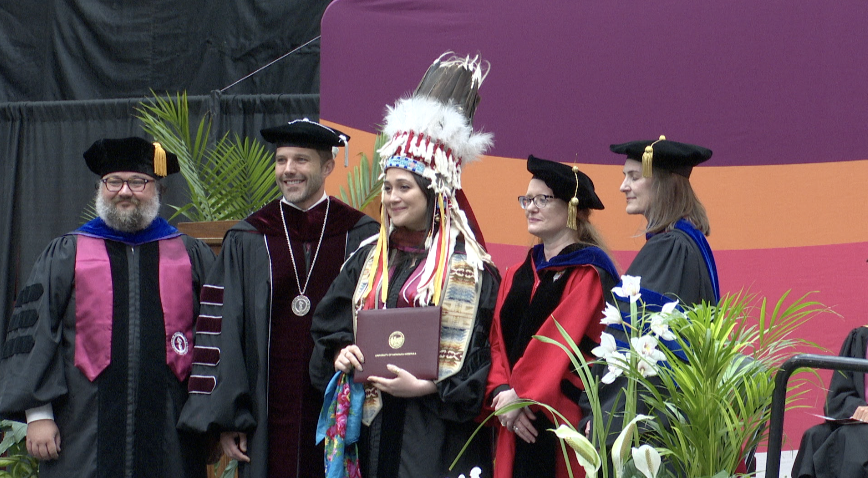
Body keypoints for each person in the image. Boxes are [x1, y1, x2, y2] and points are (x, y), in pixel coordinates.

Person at [309, 54, 499, 478]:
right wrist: (342, 354)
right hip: (372, 427)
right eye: (387, 187)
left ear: (433, 192)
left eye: (404, 188)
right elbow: (331, 329)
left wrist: (427, 386)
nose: (392, 198)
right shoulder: (367, 260)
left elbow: (481, 358)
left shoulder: (469, 268)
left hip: (433, 432)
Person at [0, 137, 215, 478]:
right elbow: (35, 332)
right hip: (81, 432)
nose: (124, 191)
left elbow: (215, 340)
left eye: (138, 182)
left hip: (170, 434)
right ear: (101, 187)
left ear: (156, 187)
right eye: (113, 182)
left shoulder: (188, 255)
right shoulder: (67, 253)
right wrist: (38, 416)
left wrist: (212, 417)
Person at [177, 119, 379, 478]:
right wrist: (228, 418)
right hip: (264, 416)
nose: (289, 170)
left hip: (341, 411)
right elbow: (223, 330)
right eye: (281, 160)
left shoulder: (361, 236)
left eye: (301, 160)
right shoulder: (248, 237)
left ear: (327, 166)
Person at [486, 155, 618, 478]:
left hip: (561, 420)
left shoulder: (589, 272)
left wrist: (520, 396)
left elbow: (558, 340)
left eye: (542, 199)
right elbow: (497, 344)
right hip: (515, 422)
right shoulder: (517, 274)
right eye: (526, 199)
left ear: (571, 206)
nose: (531, 207)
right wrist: (501, 393)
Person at [791, 326, 868, 478]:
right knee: (815, 437)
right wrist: (857, 409)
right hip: (860, 423)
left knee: (855, 439)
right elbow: (840, 395)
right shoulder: (861, 337)